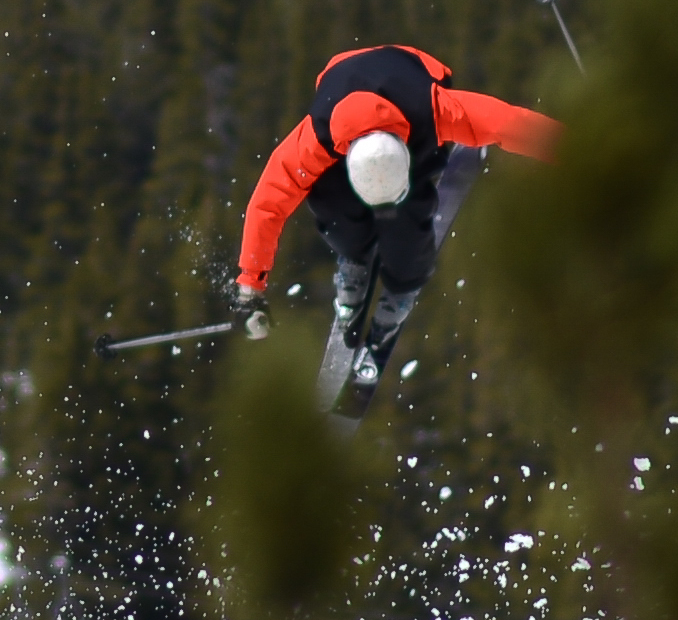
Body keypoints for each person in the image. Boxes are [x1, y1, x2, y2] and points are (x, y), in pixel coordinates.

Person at [228, 41, 559, 407]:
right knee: (330, 202)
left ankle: (403, 284)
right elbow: (267, 204)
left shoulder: (436, 111)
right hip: (350, 119)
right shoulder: (315, 139)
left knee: (410, 221)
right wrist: (250, 288)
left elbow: (511, 123)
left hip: (410, 90)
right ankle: (354, 257)